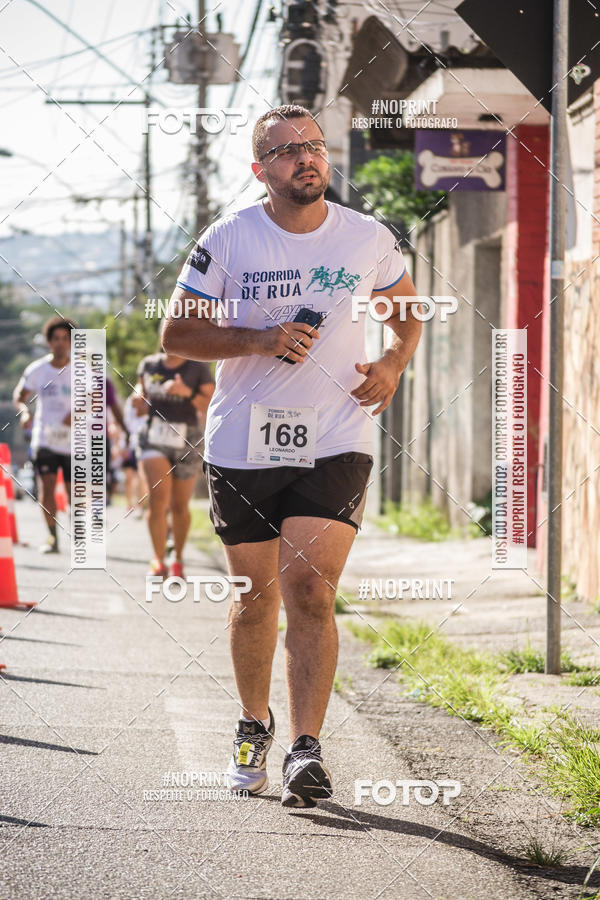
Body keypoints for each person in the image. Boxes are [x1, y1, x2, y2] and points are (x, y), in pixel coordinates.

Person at [162, 104, 422, 808]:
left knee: (310, 591)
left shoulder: (367, 236)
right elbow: (177, 335)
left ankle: (306, 748)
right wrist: (259, 339)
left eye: (314, 145)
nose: (306, 157)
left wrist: (393, 363)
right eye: (286, 151)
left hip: (337, 436)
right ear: (260, 169)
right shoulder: (230, 238)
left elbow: (406, 311)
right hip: (243, 441)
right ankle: (254, 723)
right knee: (256, 599)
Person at [136, 348, 214, 577]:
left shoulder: (198, 366)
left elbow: (210, 403)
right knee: (158, 500)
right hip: (154, 437)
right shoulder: (148, 364)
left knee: (179, 505)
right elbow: (142, 395)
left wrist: (186, 392)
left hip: (188, 440)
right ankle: (158, 560)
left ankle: (178, 559)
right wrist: (137, 399)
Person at [13, 315, 76, 553]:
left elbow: (94, 398)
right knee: (47, 487)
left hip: (73, 441)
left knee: (74, 492)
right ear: (49, 342)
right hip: (45, 438)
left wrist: (78, 412)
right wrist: (24, 413)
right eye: (56, 338)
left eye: (65, 338)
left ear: (71, 342)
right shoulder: (37, 369)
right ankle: (52, 537)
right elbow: (20, 396)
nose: (60, 343)